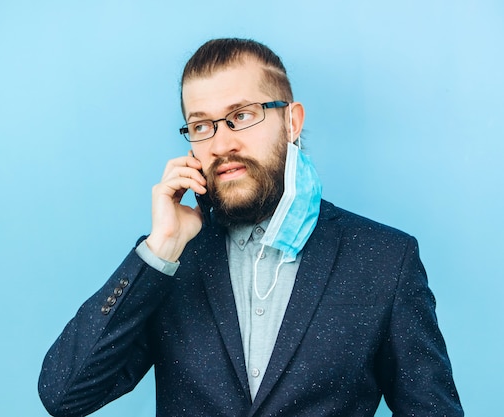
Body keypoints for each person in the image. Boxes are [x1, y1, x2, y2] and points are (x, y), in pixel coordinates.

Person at [38, 38, 463, 417]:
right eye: (202, 126)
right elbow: (64, 396)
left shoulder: (386, 258)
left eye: (242, 116)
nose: (222, 144)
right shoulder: (168, 259)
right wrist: (161, 246)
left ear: (292, 122)